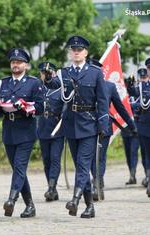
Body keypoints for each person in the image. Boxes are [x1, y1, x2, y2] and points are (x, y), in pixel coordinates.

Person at [47, 36, 109, 218]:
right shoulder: (64, 72)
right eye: (73, 49)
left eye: (79, 49)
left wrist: (103, 125)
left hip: (89, 123)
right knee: (79, 164)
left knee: (83, 164)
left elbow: (103, 102)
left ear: (85, 53)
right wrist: (48, 78)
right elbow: (53, 86)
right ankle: (90, 207)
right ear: (69, 53)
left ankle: (75, 199)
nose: (76, 52)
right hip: (70, 123)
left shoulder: (95, 73)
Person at [0, 48, 43, 218]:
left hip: (26, 130)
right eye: (13, 62)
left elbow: (40, 108)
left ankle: (11, 200)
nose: (15, 65)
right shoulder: (3, 83)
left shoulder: (33, 83)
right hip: (9, 130)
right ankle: (30, 205)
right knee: (17, 170)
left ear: (26, 65)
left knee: (20, 167)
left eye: (19, 62)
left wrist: (25, 107)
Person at [88, 59, 137, 201]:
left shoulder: (109, 86)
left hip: (105, 126)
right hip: (87, 126)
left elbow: (120, 108)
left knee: (100, 156)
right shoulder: (84, 85)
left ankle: (97, 183)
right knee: (90, 156)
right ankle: (97, 180)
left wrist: (131, 125)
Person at [37, 62, 64, 202]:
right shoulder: (38, 88)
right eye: (43, 73)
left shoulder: (60, 89)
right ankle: (51, 188)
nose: (45, 75)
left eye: (48, 72)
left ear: (53, 73)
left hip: (57, 128)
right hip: (43, 127)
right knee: (47, 160)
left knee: (55, 158)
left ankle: (52, 187)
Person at [122, 68, 149, 186]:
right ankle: (133, 175)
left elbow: (138, 105)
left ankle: (147, 176)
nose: (142, 79)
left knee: (139, 152)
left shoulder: (144, 90)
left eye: (144, 77)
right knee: (130, 152)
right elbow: (125, 104)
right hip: (129, 126)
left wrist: (135, 106)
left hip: (140, 124)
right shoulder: (136, 90)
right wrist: (128, 86)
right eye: (141, 78)